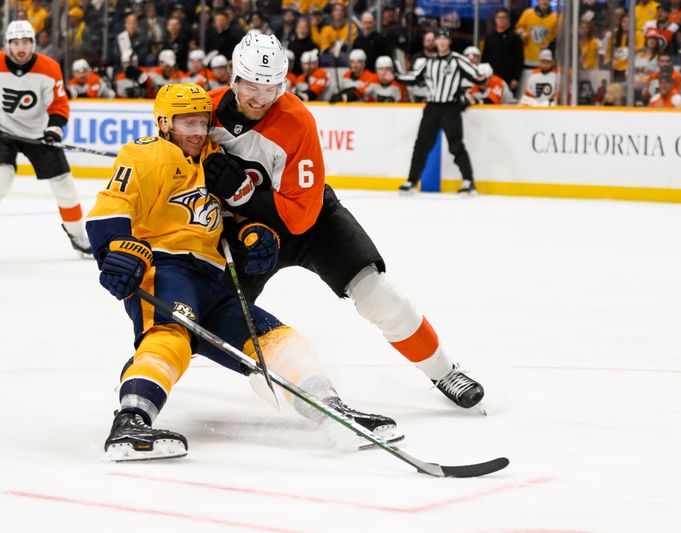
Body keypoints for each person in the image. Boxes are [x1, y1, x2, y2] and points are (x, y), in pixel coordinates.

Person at [87, 83, 397, 461]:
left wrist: (253, 236)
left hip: (216, 277)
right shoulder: (147, 154)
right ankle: (131, 421)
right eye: (188, 123)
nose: (198, 132)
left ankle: (330, 409)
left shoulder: (215, 159)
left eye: (202, 122)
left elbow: (231, 219)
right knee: (172, 335)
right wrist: (116, 246)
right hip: (167, 268)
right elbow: (112, 204)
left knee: (279, 339)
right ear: (165, 123)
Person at [204, 32, 485, 410]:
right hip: (247, 232)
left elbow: (300, 218)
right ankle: (153, 374)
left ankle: (443, 370)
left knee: (379, 295)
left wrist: (243, 194)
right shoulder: (202, 112)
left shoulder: (297, 120)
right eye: (252, 85)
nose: (259, 97)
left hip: (311, 220)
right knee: (207, 313)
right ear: (233, 78)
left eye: (269, 88)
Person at [0, 21, 91, 257]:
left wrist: (54, 130)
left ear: (34, 44)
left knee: (64, 185)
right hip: (4, 132)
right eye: (15, 43)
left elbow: (58, 105)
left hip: (38, 134)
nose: (20, 48)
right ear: (7, 44)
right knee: (1, 179)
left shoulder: (49, 68)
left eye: (26, 43)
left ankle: (78, 235)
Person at [397, 29, 483, 195]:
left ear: (449, 42)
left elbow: (476, 75)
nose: (442, 42)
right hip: (432, 108)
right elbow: (414, 77)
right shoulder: (429, 62)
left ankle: (468, 181)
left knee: (456, 144)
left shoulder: (457, 59)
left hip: (450, 107)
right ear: (435, 42)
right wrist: (396, 76)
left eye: (445, 38)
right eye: (439, 39)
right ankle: (411, 181)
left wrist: (481, 77)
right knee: (421, 145)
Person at [481, 8, 524, 94]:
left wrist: (516, 78)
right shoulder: (490, 37)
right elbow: (484, 58)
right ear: (495, 19)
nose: (501, 20)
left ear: (508, 20)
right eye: (499, 17)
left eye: (504, 17)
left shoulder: (514, 37)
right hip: (491, 77)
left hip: (509, 79)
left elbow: (519, 59)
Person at [515, 0, 558, 67]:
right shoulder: (527, 14)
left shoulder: (555, 17)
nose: (545, 1)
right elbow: (518, 29)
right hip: (528, 61)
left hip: (546, 63)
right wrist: (521, 33)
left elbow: (557, 38)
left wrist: (550, 45)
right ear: (538, 1)